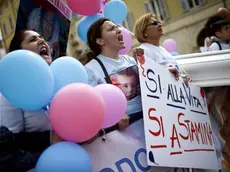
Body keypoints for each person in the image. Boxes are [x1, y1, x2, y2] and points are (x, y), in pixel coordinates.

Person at [0, 29, 52, 172]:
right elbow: (10, 146)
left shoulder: (58, 81)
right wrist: (51, 139)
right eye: (33, 39)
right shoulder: (10, 92)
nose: (42, 40)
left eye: (42, 37)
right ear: (20, 53)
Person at [85, 18, 143, 132]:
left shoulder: (130, 60)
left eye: (117, 27)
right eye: (112, 29)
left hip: (148, 127)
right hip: (122, 135)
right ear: (100, 41)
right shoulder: (91, 69)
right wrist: (112, 117)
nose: (118, 30)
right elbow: (90, 106)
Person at [134, 13, 189, 82]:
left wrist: (183, 76)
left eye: (158, 22)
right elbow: (146, 78)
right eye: (154, 23)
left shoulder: (163, 50)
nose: (160, 25)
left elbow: (177, 69)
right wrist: (166, 72)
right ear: (144, 32)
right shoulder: (143, 50)